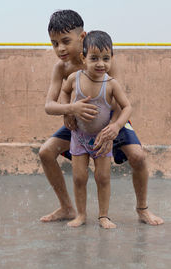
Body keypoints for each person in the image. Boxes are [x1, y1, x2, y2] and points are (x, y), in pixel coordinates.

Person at [39, 9, 164, 225]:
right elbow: (50, 105)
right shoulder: (62, 68)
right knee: (45, 152)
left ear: (82, 36)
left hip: (111, 120)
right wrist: (69, 110)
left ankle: (142, 209)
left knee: (138, 157)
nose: (60, 48)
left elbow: (118, 103)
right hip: (80, 124)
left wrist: (113, 129)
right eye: (54, 43)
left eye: (65, 41)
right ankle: (68, 208)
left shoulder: (104, 61)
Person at [61, 30, 132, 228]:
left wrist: (116, 126)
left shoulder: (111, 84)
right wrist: (66, 112)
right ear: (83, 58)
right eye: (94, 58)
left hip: (102, 138)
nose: (101, 63)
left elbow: (127, 107)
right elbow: (65, 93)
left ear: (112, 59)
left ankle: (103, 216)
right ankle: (81, 215)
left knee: (102, 177)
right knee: (79, 177)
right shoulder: (74, 78)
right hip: (79, 136)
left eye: (106, 58)